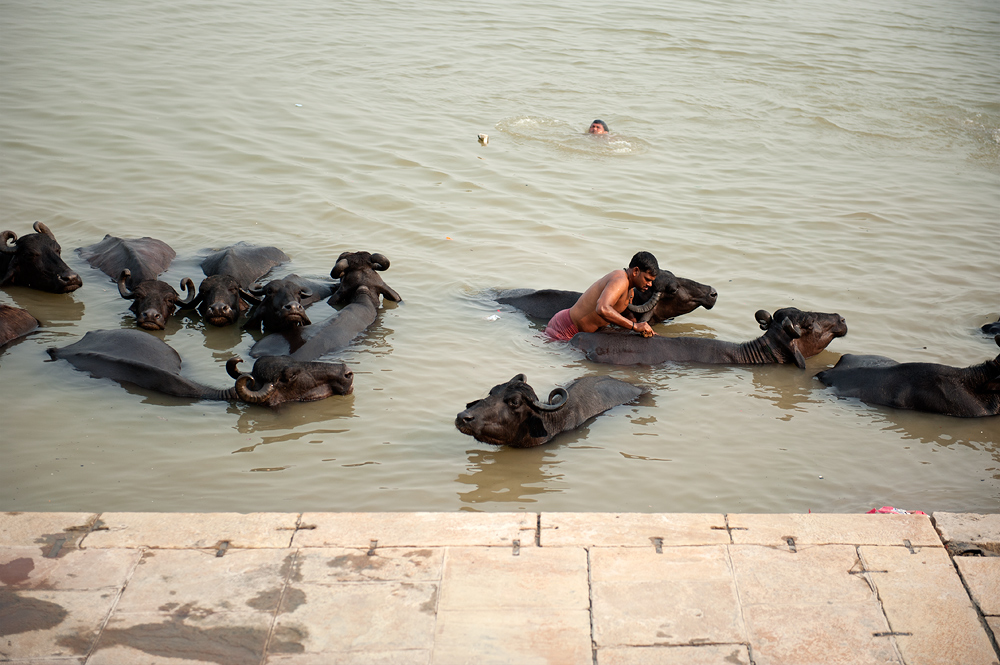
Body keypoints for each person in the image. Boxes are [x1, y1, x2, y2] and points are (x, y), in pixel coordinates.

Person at [545, 251, 659, 341]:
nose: (649, 284)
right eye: (647, 279)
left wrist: (639, 328)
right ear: (636, 271)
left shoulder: (630, 291)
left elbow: (623, 311)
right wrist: (635, 326)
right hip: (565, 329)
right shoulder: (620, 280)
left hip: (582, 334)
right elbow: (602, 308)